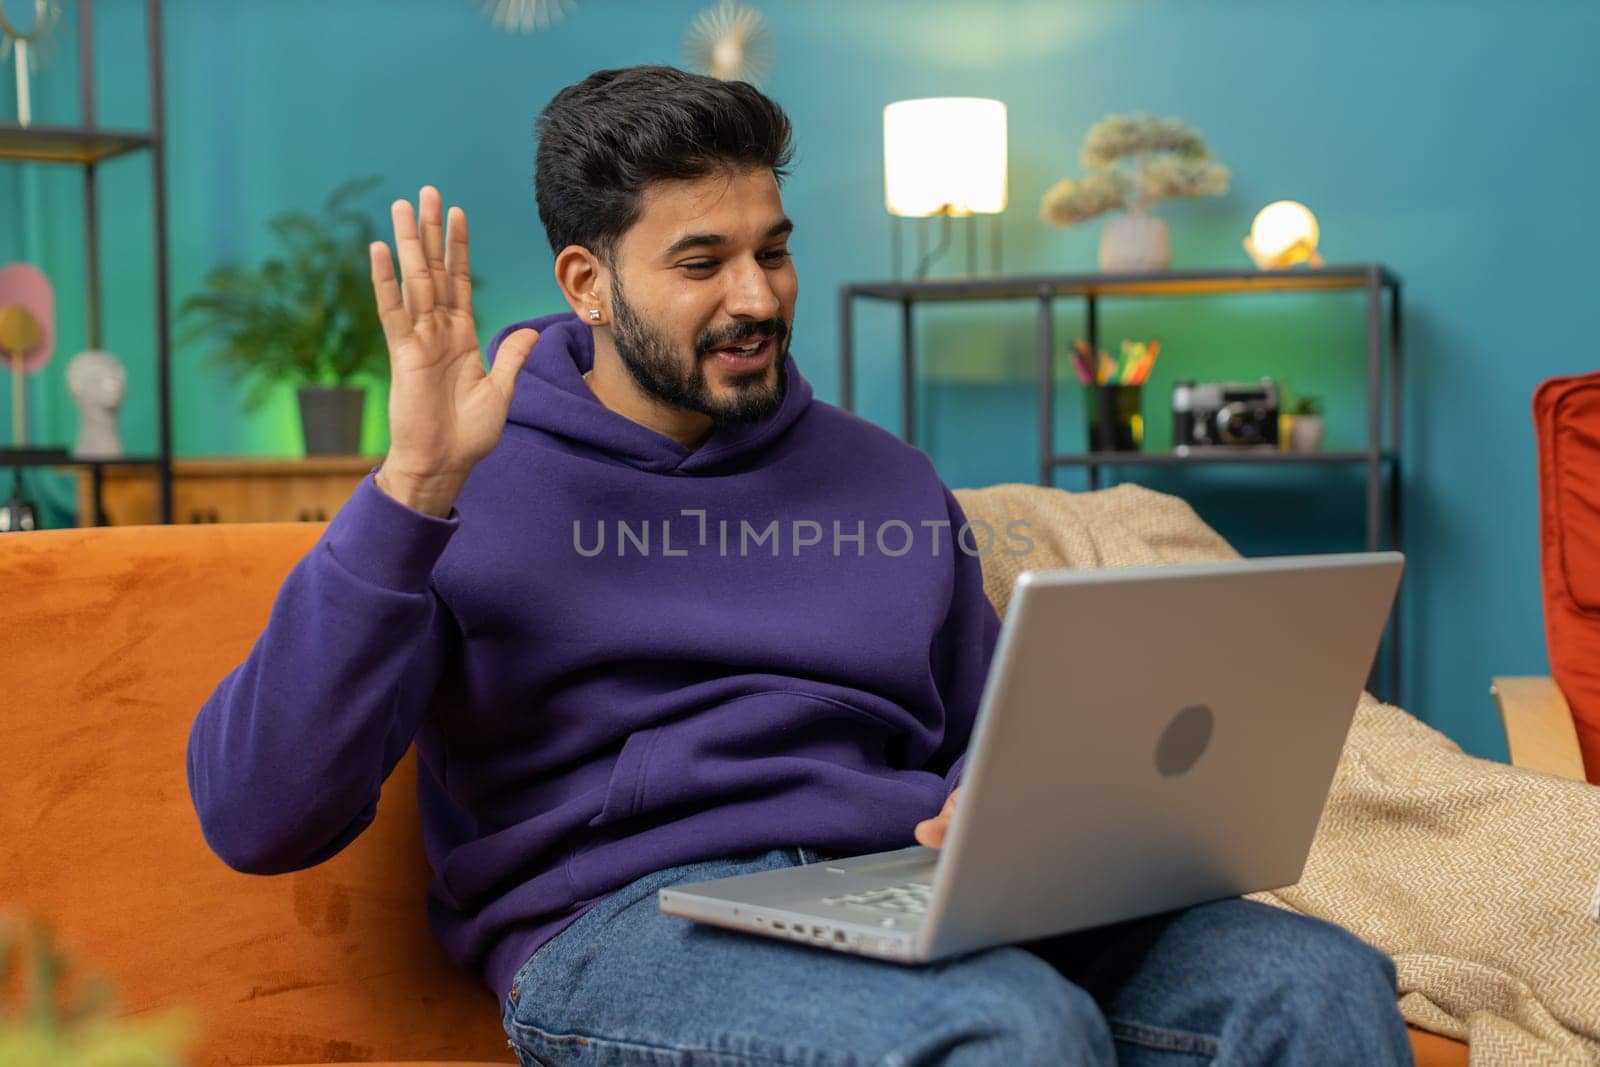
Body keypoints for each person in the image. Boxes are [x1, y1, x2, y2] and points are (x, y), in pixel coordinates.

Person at [186, 65, 1413, 1066]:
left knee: (1316, 979)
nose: (758, 295)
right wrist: (412, 490)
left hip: (897, 890)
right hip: (625, 922)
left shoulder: (883, 479)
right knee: (1005, 1027)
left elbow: (997, 722)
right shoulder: (465, 484)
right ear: (586, 284)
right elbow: (258, 813)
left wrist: (994, 799)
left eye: (772, 250)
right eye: (701, 260)